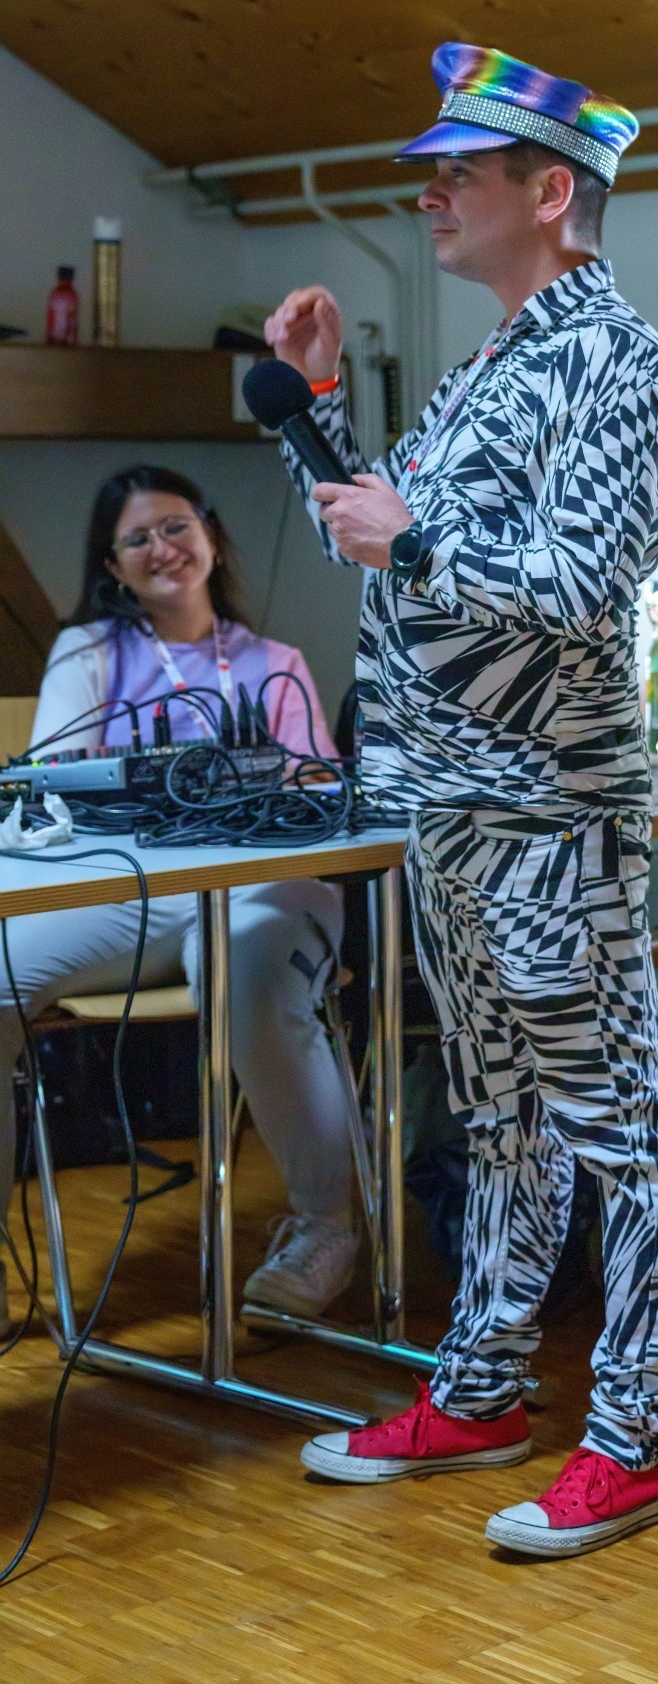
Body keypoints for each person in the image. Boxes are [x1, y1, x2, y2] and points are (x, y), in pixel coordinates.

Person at [267, 43, 658, 1562]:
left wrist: (413, 539)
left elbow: (579, 589)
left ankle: (634, 1438)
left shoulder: (621, 365)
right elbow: (377, 542)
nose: (429, 194)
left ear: (551, 191)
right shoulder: (493, 364)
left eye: (458, 171)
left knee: (619, 1130)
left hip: (550, 816)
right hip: (449, 806)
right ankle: (481, 1392)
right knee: (502, 1118)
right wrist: (316, 408)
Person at [1, 464, 358, 1317]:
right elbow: (50, 789)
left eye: (174, 527)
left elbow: (322, 796)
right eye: (136, 539)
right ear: (112, 567)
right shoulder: (89, 652)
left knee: (251, 982)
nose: (161, 548)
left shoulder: (274, 663)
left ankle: (326, 1231)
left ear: (210, 537)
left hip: (263, 886)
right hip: (128, 895)